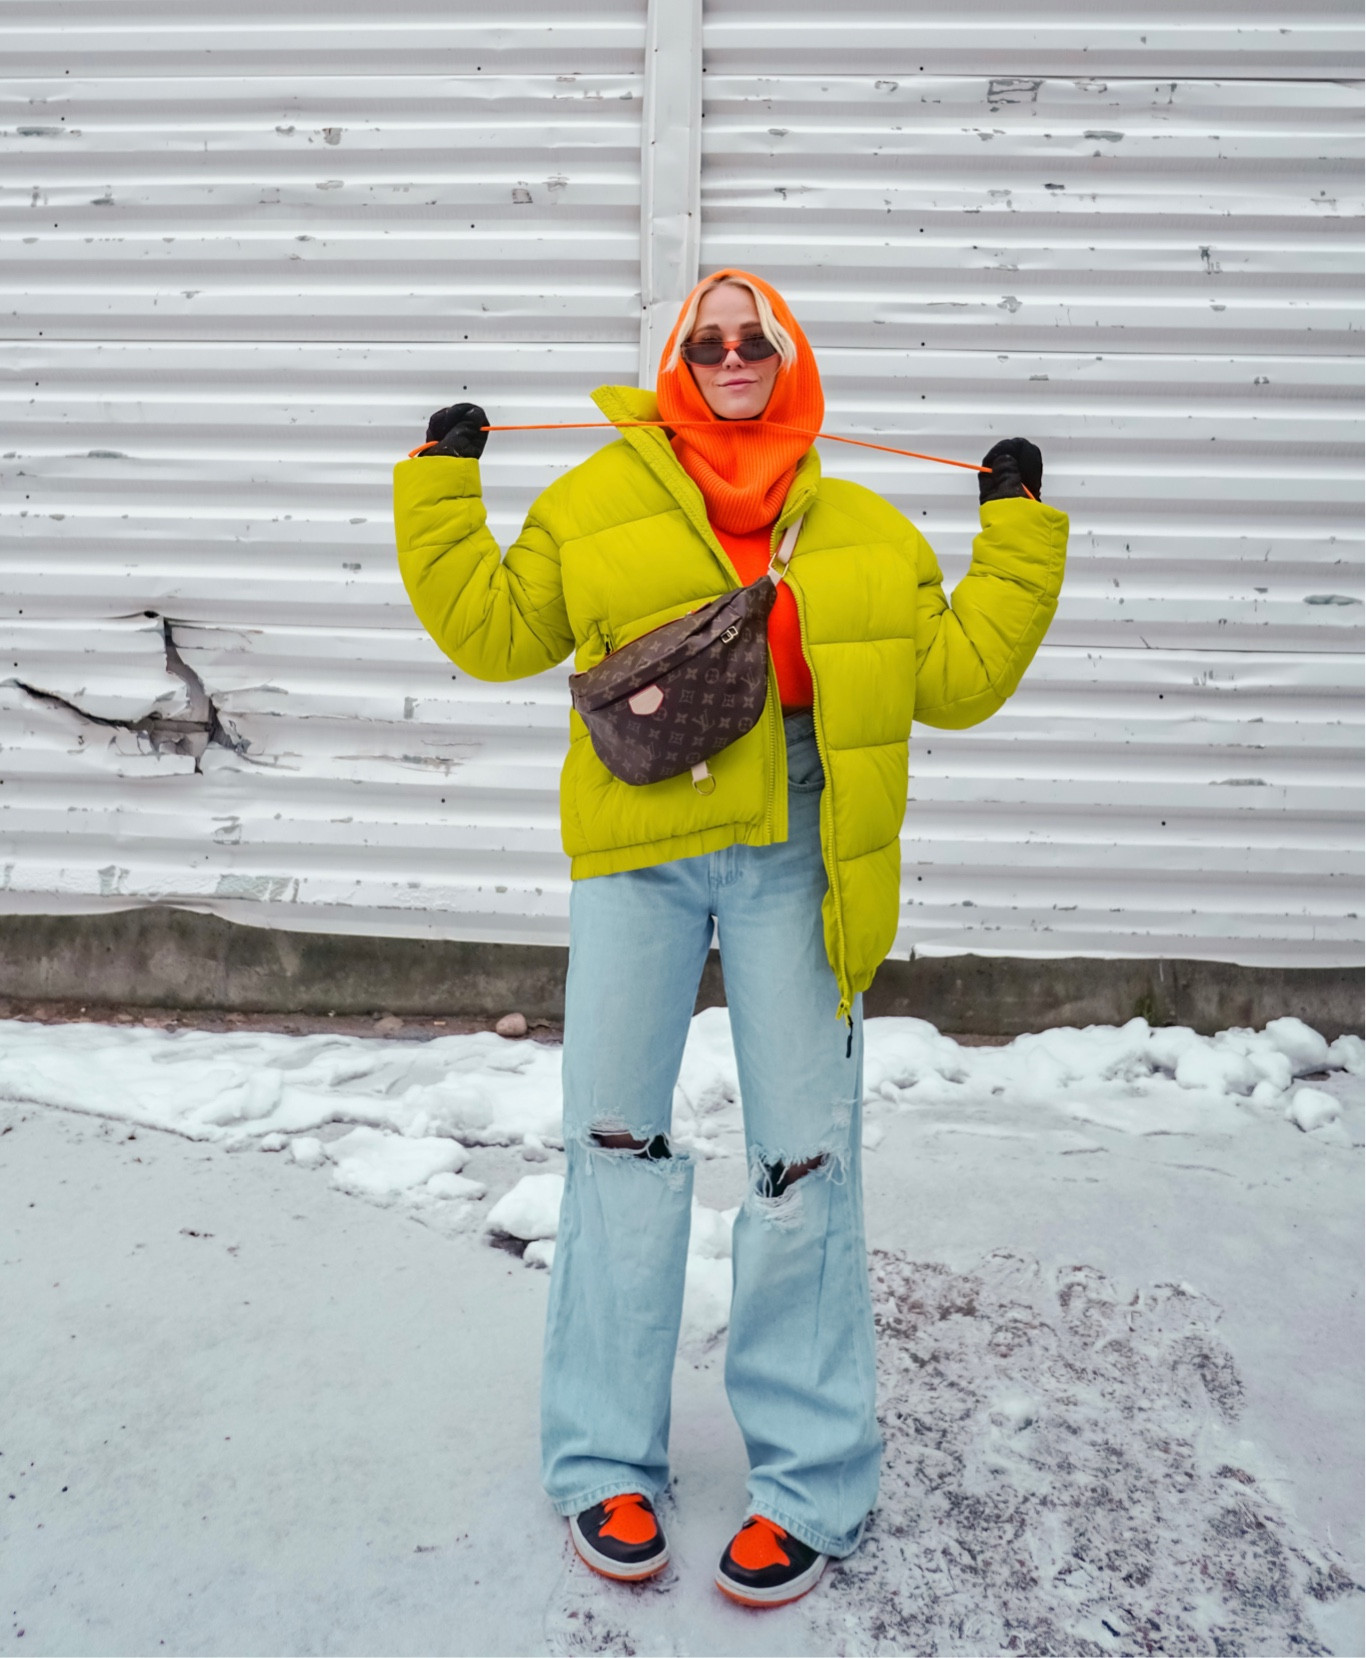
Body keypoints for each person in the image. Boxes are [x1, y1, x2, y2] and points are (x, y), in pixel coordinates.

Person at [393, 269, 1068, 1607]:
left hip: (798, 852)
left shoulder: (865, 527)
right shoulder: (595, 500)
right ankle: (600, 1459)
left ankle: (812, 1477)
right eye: (706, 341)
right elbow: (490, 632)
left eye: (753, 338)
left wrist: (1015, 529)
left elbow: (958, 676)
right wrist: (438, 487)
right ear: (675, 362)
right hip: (637, 851)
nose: (730, 355)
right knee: (610, 1141)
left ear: (789, 357)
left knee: (804, 1159)